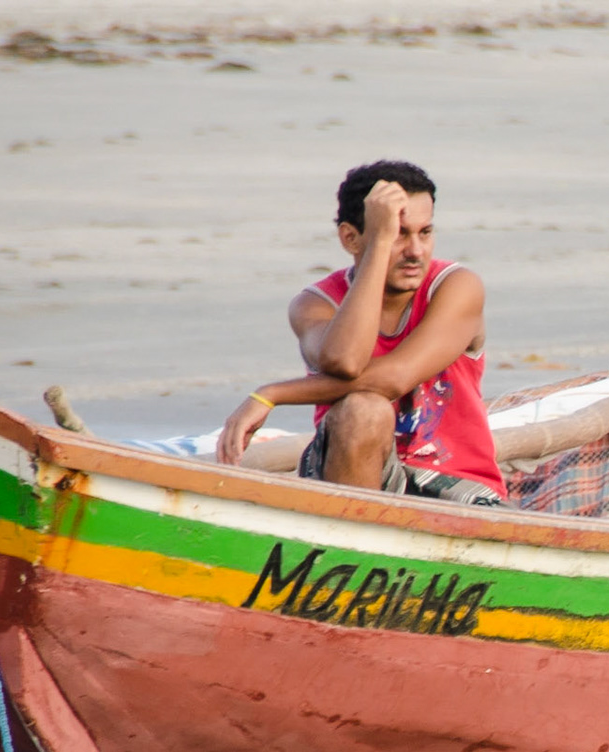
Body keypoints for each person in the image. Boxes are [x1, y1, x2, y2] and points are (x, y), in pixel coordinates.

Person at [216, 160, 506, 506]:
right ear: (350, 238)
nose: (415, 251)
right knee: (363, 411)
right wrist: (379, 247)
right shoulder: (315, 305)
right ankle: (353, 539)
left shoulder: (456, 286)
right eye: (398, 233)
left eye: (424, 233)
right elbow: (345, 361)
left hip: (455, 484)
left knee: (370, 403)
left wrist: (272, 394)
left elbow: (395, 378)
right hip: (347, 477)